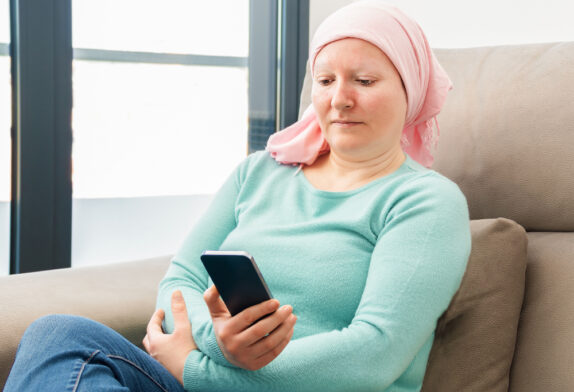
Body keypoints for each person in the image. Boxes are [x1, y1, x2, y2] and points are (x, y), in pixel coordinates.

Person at [4, 1, 471, 391]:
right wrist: (218, 340)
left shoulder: (424, 203)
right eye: (325, 81)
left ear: (410, 92)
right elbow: (180, 280)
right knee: (57, 335)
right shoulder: (259, 172)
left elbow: (373, 353)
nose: (339, 99)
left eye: (364, 82)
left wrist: (194, 367)